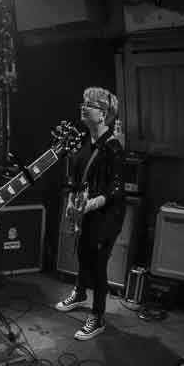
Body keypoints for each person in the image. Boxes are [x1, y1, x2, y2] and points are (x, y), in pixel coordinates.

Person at [54, 88, 126, 340]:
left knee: (98, 264)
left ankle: (98, 317)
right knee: (83, 254)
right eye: (83, 103)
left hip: (108, 215)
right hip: (87, 212)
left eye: (90, 105)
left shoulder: (113, 147)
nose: (83, 107)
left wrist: (90, 204)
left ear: (103, 114)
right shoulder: (85, 141)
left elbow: (116, 189)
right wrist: (71, 201)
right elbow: (76, 178)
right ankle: (80, 292)